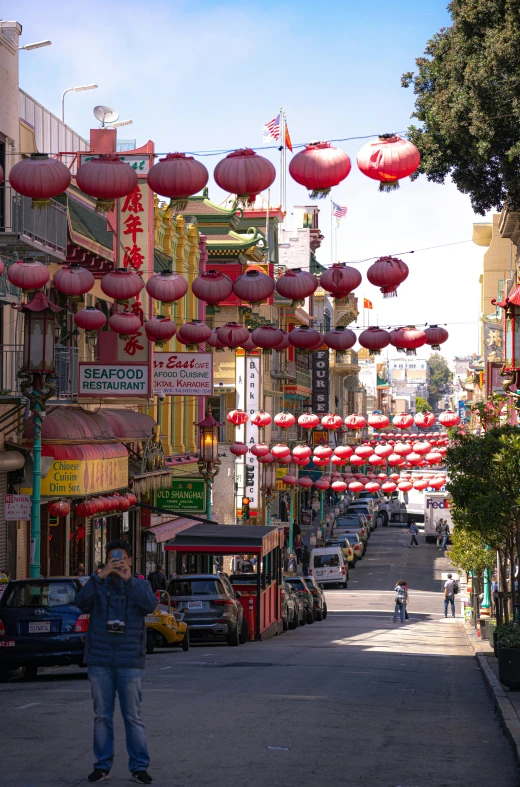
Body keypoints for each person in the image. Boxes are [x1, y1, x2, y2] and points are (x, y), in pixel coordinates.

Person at [75, 539, 158, 785]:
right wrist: (100, 575)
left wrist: (128, 579)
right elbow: (80, 603)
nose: (118, 561)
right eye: (113, 558)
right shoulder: (98, 584)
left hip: (130, 662)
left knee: (132, 716)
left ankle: (139, 767)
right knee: (102, 715)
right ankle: (102, 766)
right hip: (100, 660)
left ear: (131, 560)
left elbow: (149, 606)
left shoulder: (139, 585)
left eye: (122, 557)